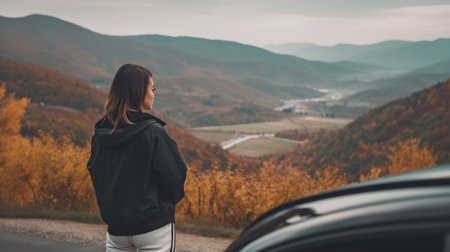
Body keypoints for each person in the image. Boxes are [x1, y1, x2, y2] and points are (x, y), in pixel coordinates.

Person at [87, 63, 187, 252]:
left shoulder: (100, 135)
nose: (154, 94)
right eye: (152, 89)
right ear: (139, 92)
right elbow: (176, 176)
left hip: (116, 228)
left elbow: (95, 172)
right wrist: (163, 206)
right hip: (153, 227)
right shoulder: (154, 132)